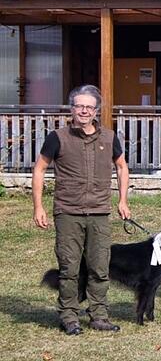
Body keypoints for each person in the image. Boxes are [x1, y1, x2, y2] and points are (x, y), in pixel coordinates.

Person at [32, 84, 130, 335]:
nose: (84, 111)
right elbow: (40, 169)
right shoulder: (58, 137)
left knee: (99, 267)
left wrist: (122, 201)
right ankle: (69, 316)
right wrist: (38, 207)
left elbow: (121, 167)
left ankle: (98, 315)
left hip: (99, 212)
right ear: (72, 109)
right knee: (69, 267)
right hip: (68, 212)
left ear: (96, 110)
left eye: (89, 107)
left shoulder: (108, 137)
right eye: (79, 106)